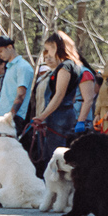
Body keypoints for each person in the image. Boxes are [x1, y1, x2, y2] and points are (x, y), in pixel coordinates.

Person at [30, 31, 96, 165]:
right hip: (64, 117)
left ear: (56, 47)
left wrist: (42, 116)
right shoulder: (73, 65)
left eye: (49, 49)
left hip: (59, 118)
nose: (48, 53)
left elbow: (59, 94)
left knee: (54, 160)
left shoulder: (65, 67)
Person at [0, 36, 34, 134]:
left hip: (14, 118)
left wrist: (11, 116)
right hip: (2, 116)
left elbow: (21, 95)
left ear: (10, 47)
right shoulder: (10, 67)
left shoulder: (22, 67)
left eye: (0, 51)